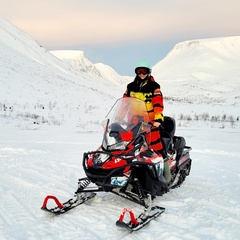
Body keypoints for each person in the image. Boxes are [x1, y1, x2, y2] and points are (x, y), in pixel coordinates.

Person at [122, 61, 171, 183]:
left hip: (149, 122)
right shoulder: (131, 86)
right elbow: (124, 103)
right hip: (133, 122)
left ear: (149, 72)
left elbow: (158, 104)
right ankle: (128, 174)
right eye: (139, 71)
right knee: (129, 148)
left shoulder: (154, 87)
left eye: (144, 71)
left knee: (156, 146)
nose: (141, 74)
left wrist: (158, 119)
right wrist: (119, 117)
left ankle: (166, 175)